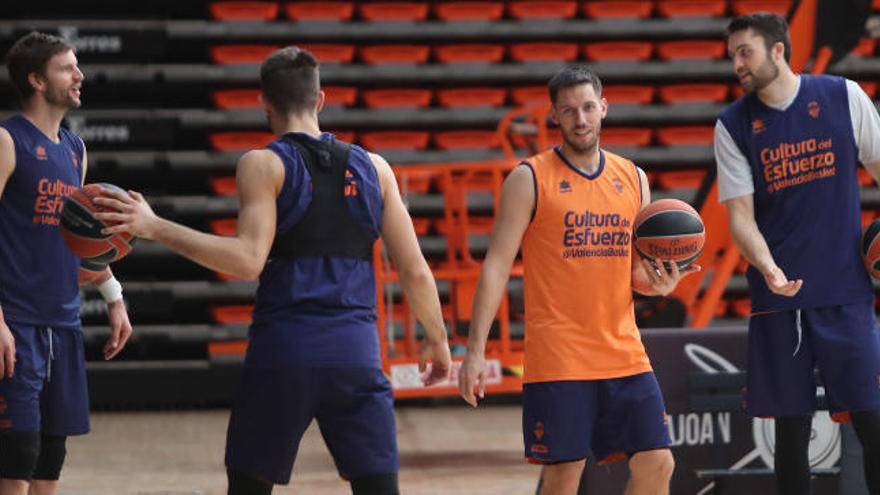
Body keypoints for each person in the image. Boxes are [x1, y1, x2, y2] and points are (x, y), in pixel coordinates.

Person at [94, 46, 452, 495]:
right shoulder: (375, 168)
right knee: (378, 488)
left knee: (249, 485)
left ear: (263, 103)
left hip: (286, 350)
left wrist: (155, 226)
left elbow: (247, 260)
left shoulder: (263, 163)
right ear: (321, 100)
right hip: (356, 353)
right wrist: (437, 340)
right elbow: (415, 271)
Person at [457, 65, 697, 495]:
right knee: (564, 475)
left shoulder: (634, 178)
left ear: (604, 108)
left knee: (659, 463)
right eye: (569, 111)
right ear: (555, 117)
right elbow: (495, 265)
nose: (580, 119)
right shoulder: (529, 178)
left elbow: (633, 274)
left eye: (588, 107)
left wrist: (658, 285)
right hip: (559, 355)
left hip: (624, 350)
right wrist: (474, 352)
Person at [715, 12, 880, 495]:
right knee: (790, 434)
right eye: (732, 56)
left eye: (745, 52)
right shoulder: (733, 125)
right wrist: (768, 267)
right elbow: (740, 217)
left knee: (872, 423)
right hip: (778, 299)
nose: (737, 65)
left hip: (844, 291)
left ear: (779, 50)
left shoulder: (843, 96)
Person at [0, 32, 133, 495]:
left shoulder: (75, 150)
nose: (80, 76)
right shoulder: (6, 140)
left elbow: (79, 236)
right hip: (15, 323)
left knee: (50, 456)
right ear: (36, 80)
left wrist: (112, 295)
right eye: (67, 68)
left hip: (63, 322)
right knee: (16, 456)